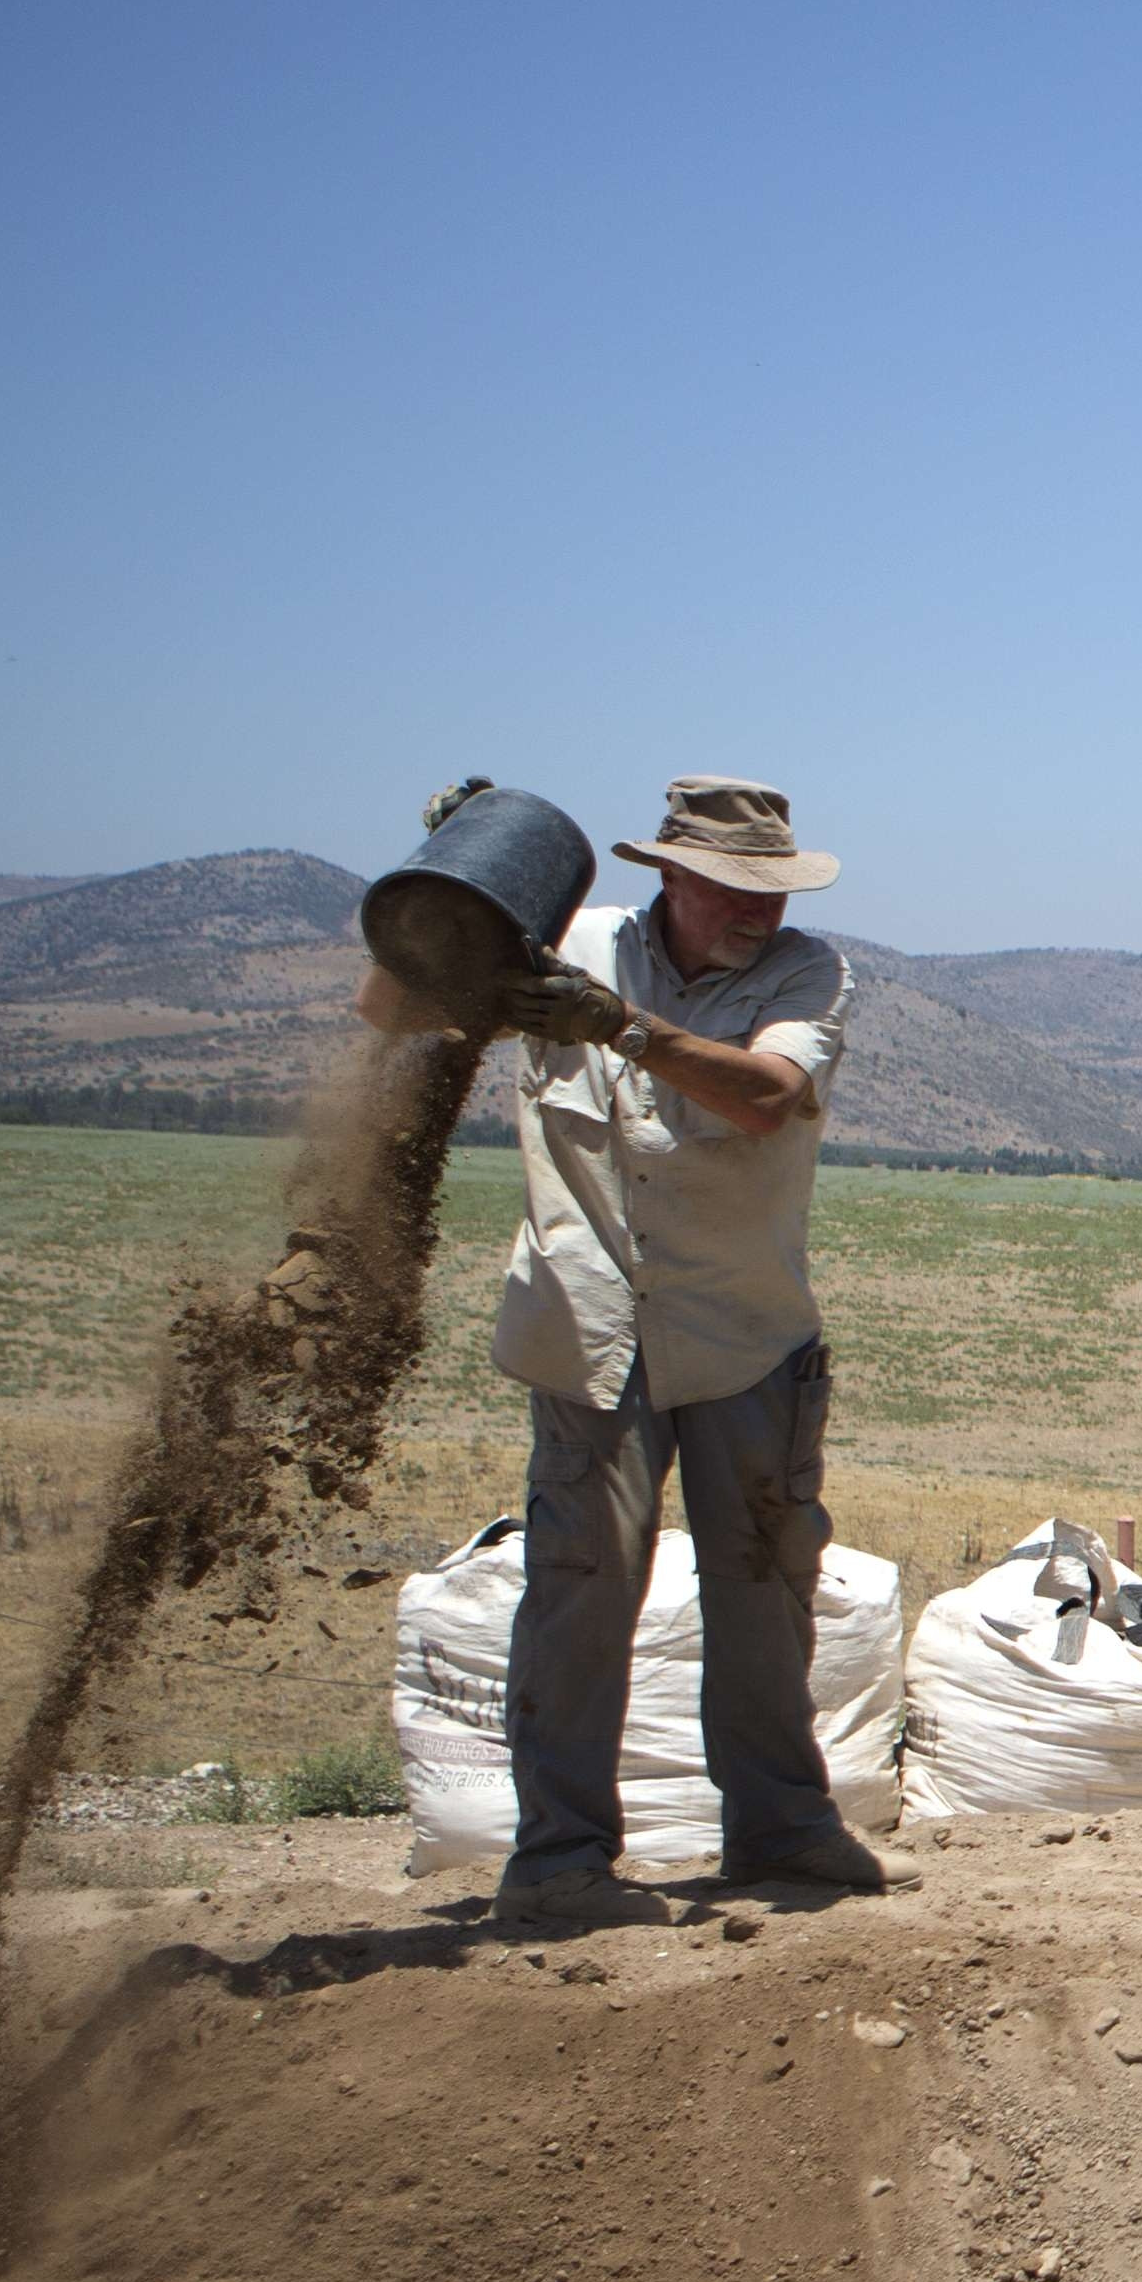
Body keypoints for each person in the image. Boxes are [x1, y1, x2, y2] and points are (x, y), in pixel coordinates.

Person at [377, 774, 880, 1933]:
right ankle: (559, 1857)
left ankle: (781, 1829)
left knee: (764, 1579)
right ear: (670, 874)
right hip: (589, 1321)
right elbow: (389, 1008)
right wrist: (458, 887)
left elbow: (767, 1095)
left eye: (773, 889)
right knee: (578, 1587)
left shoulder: (809, 974)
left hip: (742, 1328)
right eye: (731, 887)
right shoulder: (565, 939)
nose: (757, 909)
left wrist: (621, 1028)